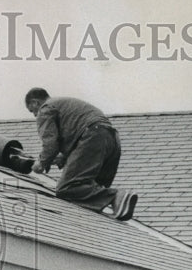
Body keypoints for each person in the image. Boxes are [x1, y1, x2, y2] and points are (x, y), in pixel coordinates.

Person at [24, 88, 137, 221]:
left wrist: (41, 162)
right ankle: (117, 204)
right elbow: (78, 138)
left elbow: (50, 144)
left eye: (32, 111)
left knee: (66, 188)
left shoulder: (46, 108)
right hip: (110, 139)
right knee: (89, 190)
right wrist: (63, 158)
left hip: (93, 136)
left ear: (35, 102)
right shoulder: (64, 105)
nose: (35, 115)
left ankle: (115, 196)